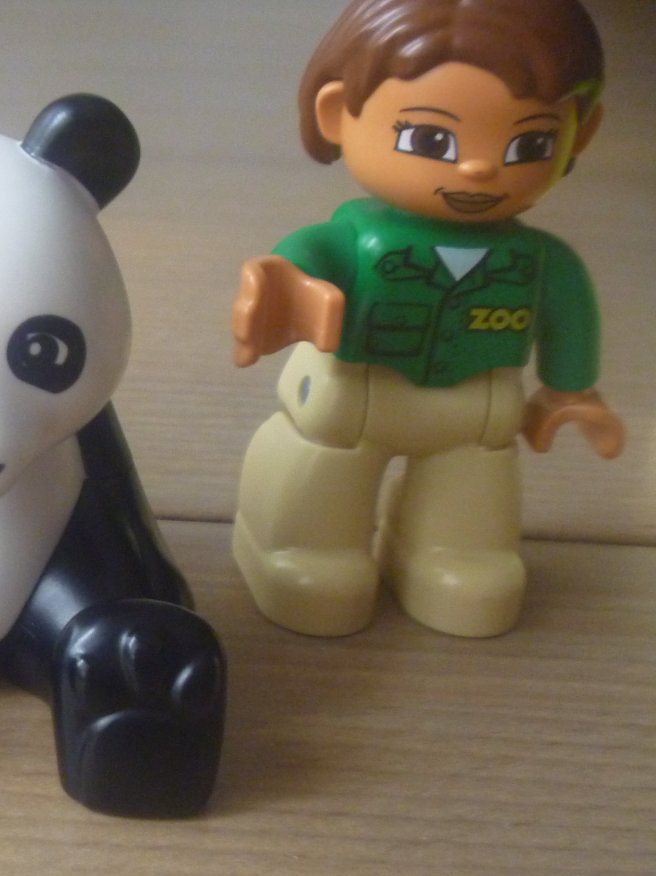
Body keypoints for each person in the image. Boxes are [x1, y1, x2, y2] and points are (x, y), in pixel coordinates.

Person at [230, 0, 624, 638]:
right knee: (322, 471)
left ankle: (452, 555)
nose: (478, 167)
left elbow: (568, 313)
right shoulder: (353, 239)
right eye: (430, 140)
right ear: (338, 114)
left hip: (477, 409)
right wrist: (285, 287)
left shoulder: (542, 262)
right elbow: (303, 256)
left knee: (472, 496)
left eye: (530, 143)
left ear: (579, 134)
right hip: (356, 394)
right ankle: (303, 547)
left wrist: (570, 390)